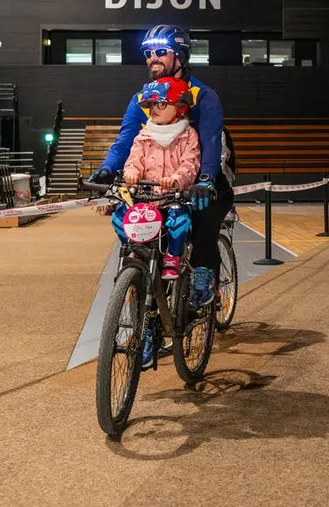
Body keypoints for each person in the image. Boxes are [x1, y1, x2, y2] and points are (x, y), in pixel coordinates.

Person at [92, 25, 235, 315]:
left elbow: (209, 142)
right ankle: (149, 313)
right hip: (160, 184)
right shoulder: (141, 99)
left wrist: (206, 179)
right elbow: (126, 139)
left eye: (160, 52)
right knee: (145, 234)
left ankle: (205, 279)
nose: (152, 58)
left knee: (203, 223)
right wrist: (108, 168)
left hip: (206, 174)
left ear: (180, 55)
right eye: (148, 53)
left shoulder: (202, 95)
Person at [110, 78, 200, 282]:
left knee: (180, 218)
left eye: (160, 104)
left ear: (180, 107)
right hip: (146, 199)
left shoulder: (188, 135)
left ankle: (172, 258)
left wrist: (177, 179)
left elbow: (190, 164)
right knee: (120, 215)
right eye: (150, 105)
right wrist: (131, 173)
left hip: (173, 198)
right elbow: (134, 160)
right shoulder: (143, 135)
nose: (153, 110)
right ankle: (134, 249)